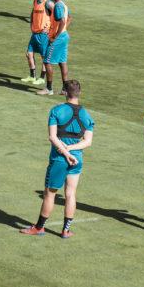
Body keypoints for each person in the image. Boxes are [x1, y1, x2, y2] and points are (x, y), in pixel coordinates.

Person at [22, 79, 94, 239]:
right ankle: (66, 230)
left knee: (50, 193)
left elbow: (52, 137)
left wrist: (66, 152)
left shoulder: (56, 111)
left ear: (64, 92)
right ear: (79, 93)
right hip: (77, 160)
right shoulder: (86, 115)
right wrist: (72, 150)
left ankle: (39, 227)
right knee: (71, 194)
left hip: (60, 160)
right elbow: (88, 142)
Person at [38, 0, 70, 97]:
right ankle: (65, 89)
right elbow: (69, 18)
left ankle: (49, 88)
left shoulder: (58, 6)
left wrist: (55, 36)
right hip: (65, 36)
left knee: (47, 61)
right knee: (62, 62)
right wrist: (64, 30)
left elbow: (61, 21)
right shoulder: (64, 5)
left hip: (58, 38)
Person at [22, 0, 49, 85]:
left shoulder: (48, 3)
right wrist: (31, 25)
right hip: (35, 33)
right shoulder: (35, 1)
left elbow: (56, 16)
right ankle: (32, 76)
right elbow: (33, 13)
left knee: (44, 57)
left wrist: (50, 27)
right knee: (29, 54)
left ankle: (42, 78)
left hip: (43, 34)